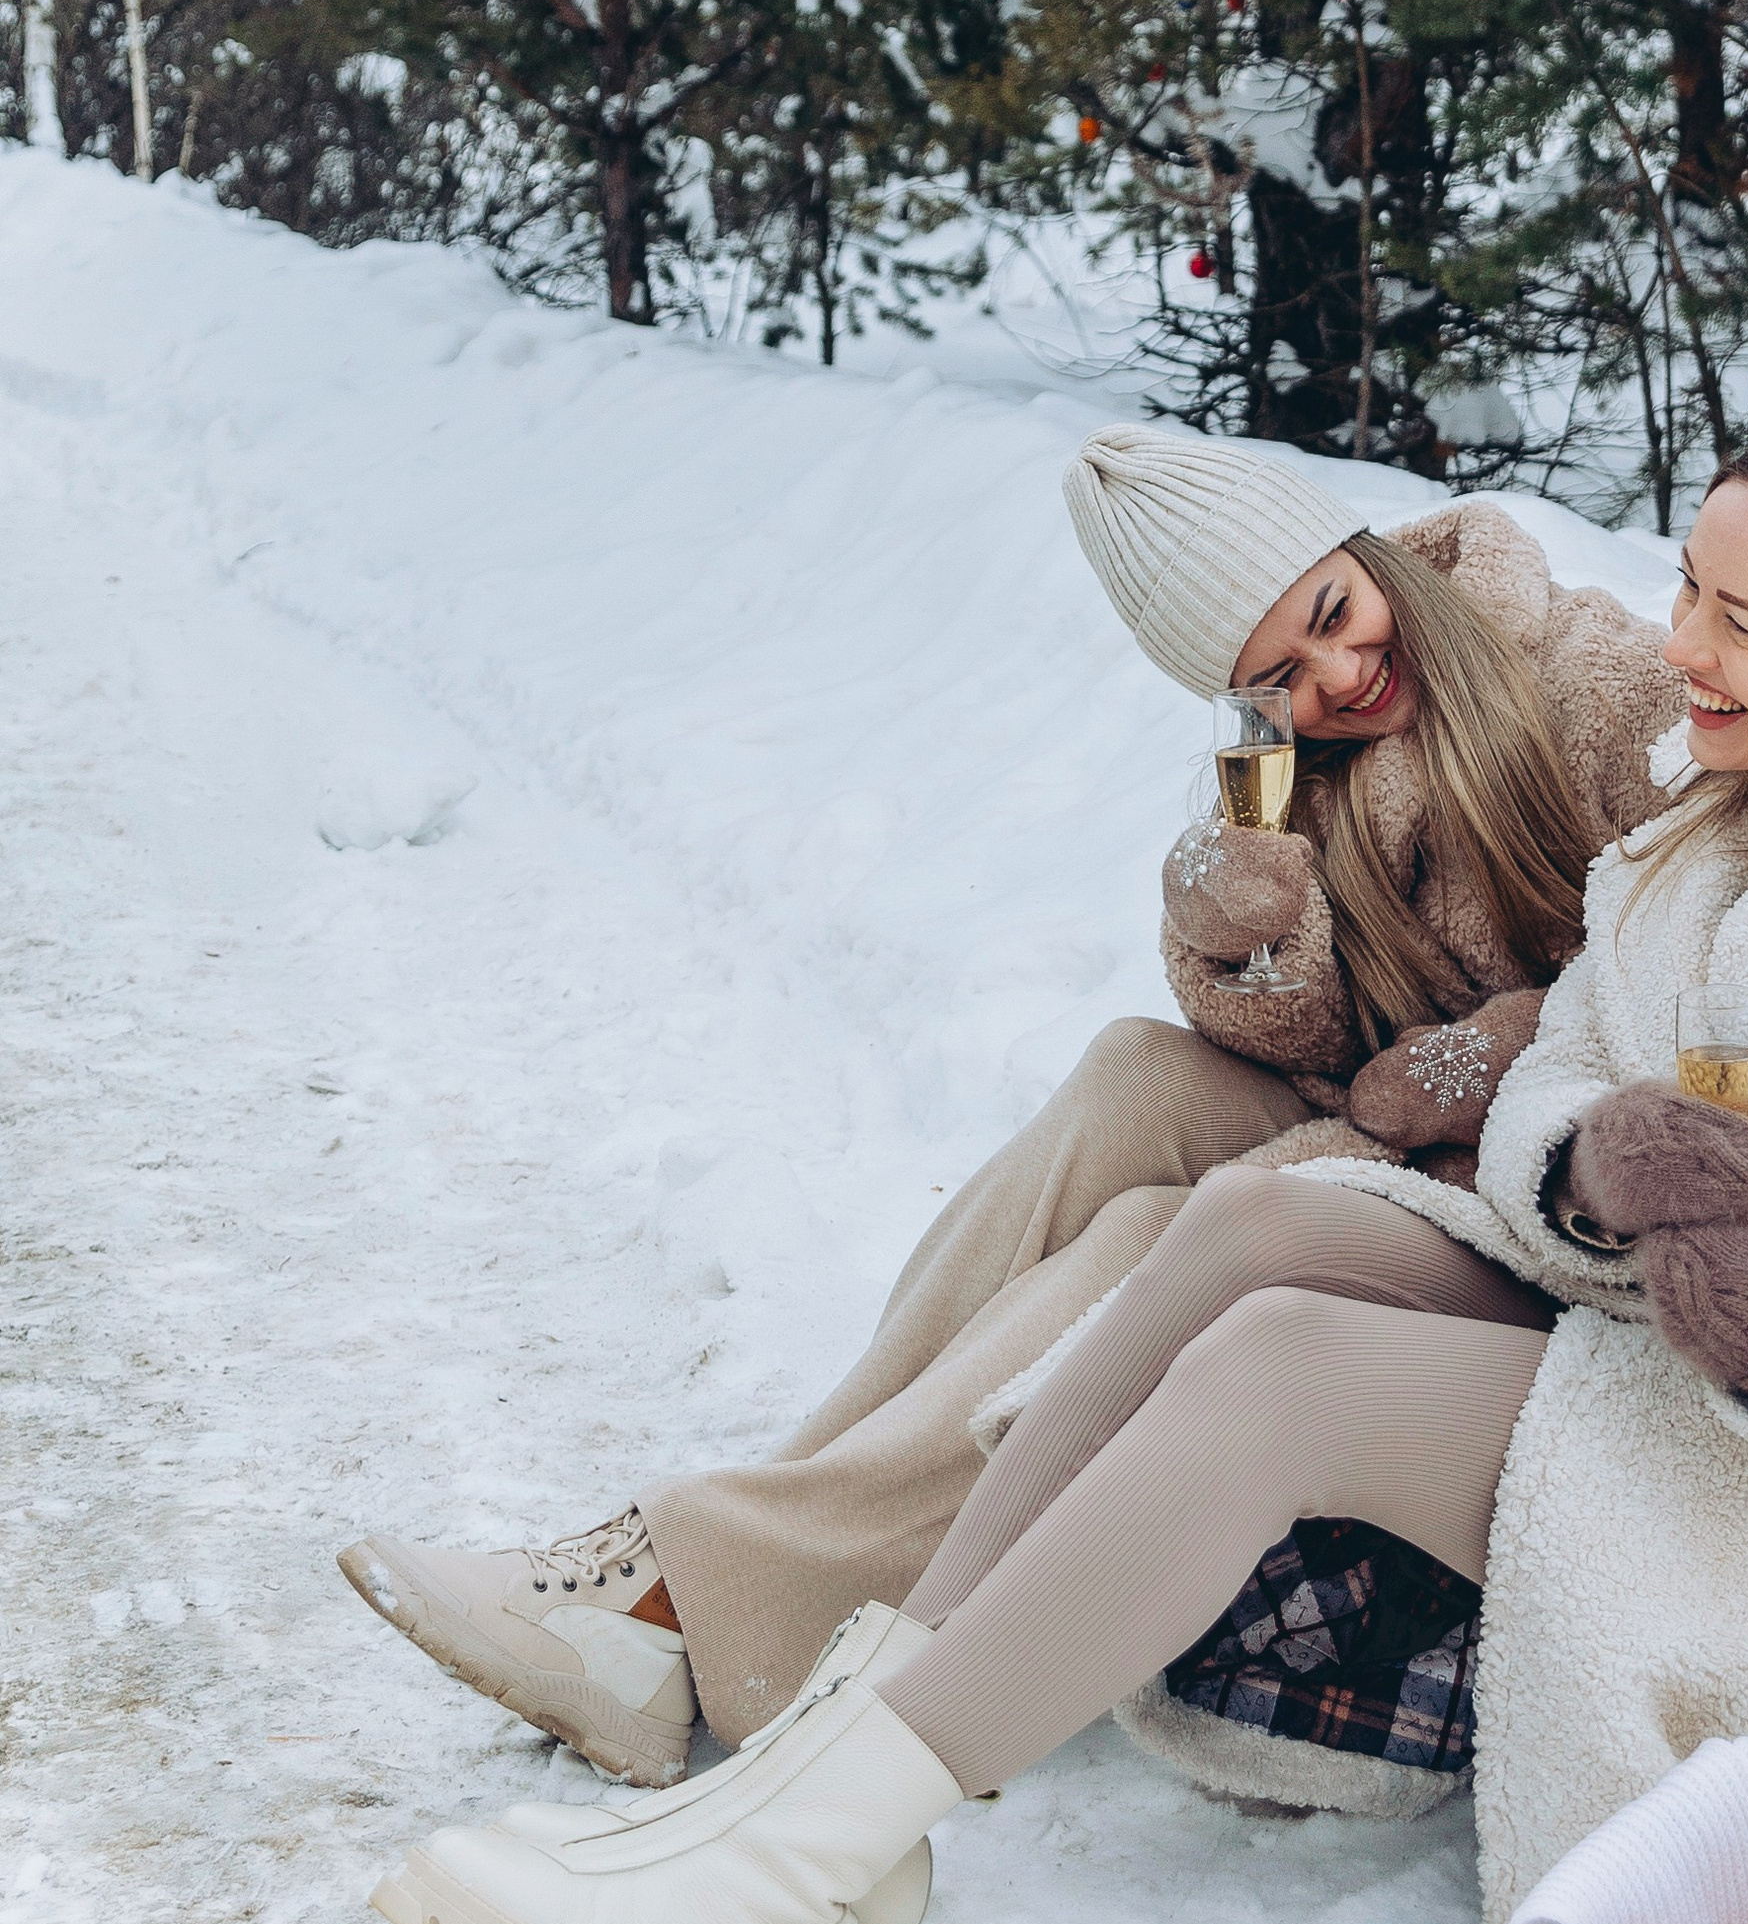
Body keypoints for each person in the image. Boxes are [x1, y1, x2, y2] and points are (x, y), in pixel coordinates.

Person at [368, 417, 1748, 1924]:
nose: (1679, 648)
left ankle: (789, 1851)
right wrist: (1575, 1152)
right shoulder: (1723, 838)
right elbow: (1576, 1062)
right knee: (1247, 1222)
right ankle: (809, 1809)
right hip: (1627, 1302)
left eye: (1729, 617)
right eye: (1684, 591)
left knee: (1280, 1364)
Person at [337, 423, 1680, 1803]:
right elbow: (1330, 1047)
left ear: (1362, 550)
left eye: (1336, 616)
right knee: (1129, 1075)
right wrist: (1251, 935)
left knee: (1143, 1243)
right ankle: (718, 1553)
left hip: (1548, 1207)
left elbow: (1712, 964)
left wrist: (1501, 1050)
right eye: (1278, 675)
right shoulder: (1300, 770)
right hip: (1408, 1154)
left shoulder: (1584, 677)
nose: (1338, 675)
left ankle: (688, 1607)